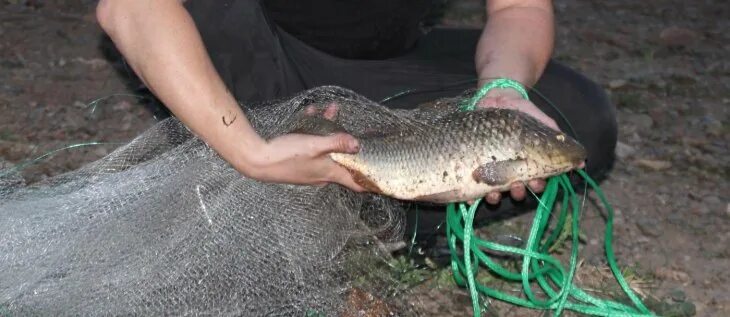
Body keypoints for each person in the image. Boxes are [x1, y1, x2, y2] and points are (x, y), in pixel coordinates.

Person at [95, 0, 616, 241]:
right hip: (271, 68)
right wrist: (250, 152)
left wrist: (501, 89)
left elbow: (518, 10)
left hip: (390, 72)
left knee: (579, 115)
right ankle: (261, 163)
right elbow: (129, 8)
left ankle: (380, 219)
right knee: (208, 15)